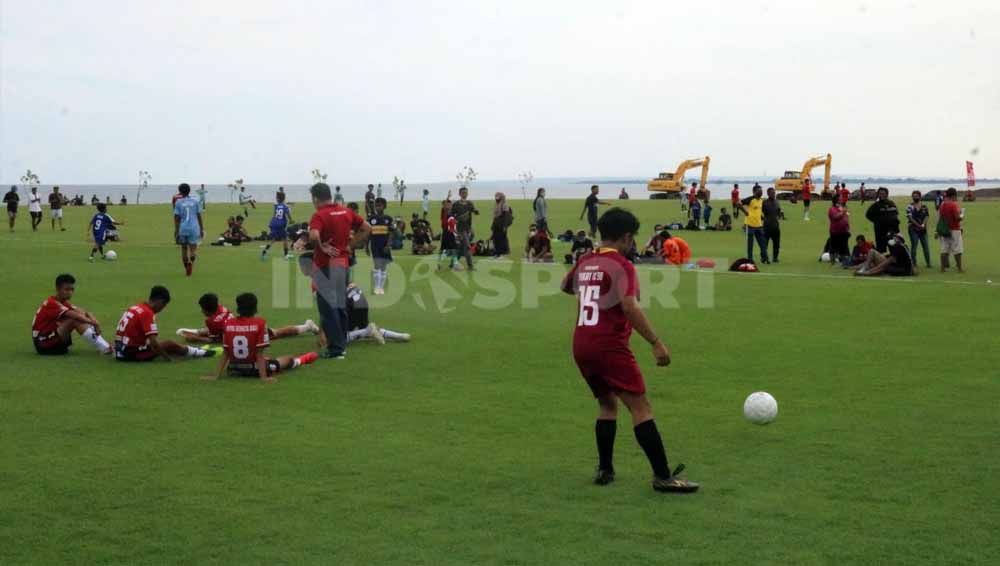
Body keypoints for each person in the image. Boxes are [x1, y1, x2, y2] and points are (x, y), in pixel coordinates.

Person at [560, 207, 698, 493]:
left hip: (582, 343)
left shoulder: (587, 259)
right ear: (625, 237)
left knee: (607, 404)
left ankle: (605, 469)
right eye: (632, 238)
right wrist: (656, 342)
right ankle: (662, 476)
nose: (633, 244)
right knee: (640, 407)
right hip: (608, 345)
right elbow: (630, 306)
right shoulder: (622, 265)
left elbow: (565, 285)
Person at [308, 182, 371, 359]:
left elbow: (313, 236)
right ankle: (342, 342)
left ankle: (336, 350)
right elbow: (366, 228)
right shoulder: (346, 211)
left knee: (328, 308)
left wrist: (322, 247)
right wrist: (350, 246)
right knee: (340, 305)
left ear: (315, 198)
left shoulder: (319, 215)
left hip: (325, 267)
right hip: (342, 264)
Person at [202, 293, 318, 383]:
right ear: (255, 308)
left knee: (264, 354)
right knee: (288, 359)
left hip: (233, 369)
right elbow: (259, 354)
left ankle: (306, 329)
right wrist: (263, 377)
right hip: (254, 369)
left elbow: (226, 353)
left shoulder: (228, 325)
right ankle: (302, 359)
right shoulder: (260, 324)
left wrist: (216, 375)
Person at [114, 286, 218, 362]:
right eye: (164, 305)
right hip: (131, 353)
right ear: (160, 301)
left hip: (120, 350)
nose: (162, 308)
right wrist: (167, 359)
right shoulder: (147, 313)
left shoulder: (136, 307)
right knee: (168, 344)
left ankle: (193, 350)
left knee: (167, 346)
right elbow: (153, 342)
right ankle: (201, 353)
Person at [176, 292, 318, 344]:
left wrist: (196, 338)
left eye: (202, 309)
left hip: (248, 331)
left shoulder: (211, 321)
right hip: (243, 325)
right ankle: (306, 326)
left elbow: (216, 340)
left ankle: (307, 326)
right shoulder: (220, 309)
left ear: (207, 310)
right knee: (276, 332)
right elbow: (219, 329)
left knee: (279, 333)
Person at [32, 273, 111, 355]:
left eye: (72, 289)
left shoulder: (62, 302)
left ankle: (104, 346)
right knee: (74, 320)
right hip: (43, 344)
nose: (70, 292)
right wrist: (94, 323)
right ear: (57, 289)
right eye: (66, 289)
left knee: (80, 318)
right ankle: (105, 347)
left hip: (51, 340)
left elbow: (84, 312)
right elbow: (76, 316)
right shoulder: (51, 303)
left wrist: (94, 321)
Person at [341, 283, 410, 344]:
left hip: (350, 303)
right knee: (363, 327)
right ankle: (399, 336)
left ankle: (367, 331)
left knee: (337, 338)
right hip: (360, 300)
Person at [173, 183, 204, 276]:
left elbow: (176, 217)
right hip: (194, 227)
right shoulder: (195, 202)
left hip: (183, 227)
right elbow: (199, 216)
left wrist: (176, 230)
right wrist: (201, 228)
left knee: (184, 248)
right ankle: (192, 260)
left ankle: (186, 266)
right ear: (189, 191)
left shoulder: (178, 202)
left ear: (180, 192)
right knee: (193, 248)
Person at [368, 197, 395, 295]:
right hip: (375, 245)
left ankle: (381, 288)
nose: (377, 208)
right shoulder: (371, 218)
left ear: (384, 207)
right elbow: (368, 233)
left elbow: (391, 233)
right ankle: (376, 287)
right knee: (377, 265)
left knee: (383, 266)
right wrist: (367, 246)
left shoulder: (388, 219)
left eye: (380, 206)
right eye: (376, 206)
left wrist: (388, 245)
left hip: (385, 245)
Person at [737, 185, 768, 263]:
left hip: (759, 226)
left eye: (761, 191)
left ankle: (764, 258)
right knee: (750, 245)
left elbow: (758, 211)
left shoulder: (761, 200)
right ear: (754, 192)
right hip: (750, 226)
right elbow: (738, 203)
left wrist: (762, 217)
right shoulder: (750, 199)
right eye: (759, 191)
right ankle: (750, 260)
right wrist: (745, 212)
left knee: (763, 244)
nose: (761, 192)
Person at [451, 187, 479, 271]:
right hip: (460, 228)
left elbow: (474, 210)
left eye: (466, 192)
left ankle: (452, 263)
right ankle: (470, 266)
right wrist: (459, 218)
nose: (465, 194)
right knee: (467, 246)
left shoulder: (470, 203)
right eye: (463, 192)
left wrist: (476, 211)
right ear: (459, 194)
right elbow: (451, 216)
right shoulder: (456, 204)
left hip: (468, 228)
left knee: (461, 247)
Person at [937, 187, 964, 273]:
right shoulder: (953, 204)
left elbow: (941, 217)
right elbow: (957, 218)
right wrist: (962, 215)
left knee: (944, 249)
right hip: (954, 229)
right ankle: (959, 268)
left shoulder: (942, 204)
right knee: (957, 250)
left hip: (944, 229)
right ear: (953, 195)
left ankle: (942, 268)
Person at [865, 187, 900, 252]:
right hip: (880, 232)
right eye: (880, 193)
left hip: (892, 231)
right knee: (881, 250)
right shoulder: (876, 205)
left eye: (883, 193)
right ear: (878, 195)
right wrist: (877, 221)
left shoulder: (891, 203)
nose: (882, 195)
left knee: (893, 249)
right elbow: (868, 215)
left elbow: (896, 214)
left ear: (887, 194)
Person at [261, 191, 293, 260]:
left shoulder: (276, 206)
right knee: (285, 239)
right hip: (281, 225)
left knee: (273, 239)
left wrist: (271, 223)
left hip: (274, 223)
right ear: (284, 198)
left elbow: (274, 215)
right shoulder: (285, 206)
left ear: (277, 198)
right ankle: (286, 255)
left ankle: (264, 252)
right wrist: (291, 220)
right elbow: (288, 215)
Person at [906, 190, 931, 268]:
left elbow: (927, 216)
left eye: (917, 196)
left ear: (920, 197)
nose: (915, 197)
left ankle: (928, 263)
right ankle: (914, 263)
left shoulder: (924, 206)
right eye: (914, 196)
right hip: (913, 229)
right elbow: (910, 218)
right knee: (914, 246)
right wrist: (918, 225)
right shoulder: (909, 206)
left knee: (926, 246)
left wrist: (923, 224)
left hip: (923, 230)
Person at [762, 187, 783, 263]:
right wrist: (764, 218)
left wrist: (780, 215)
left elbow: (779, 212)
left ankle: (775, 258)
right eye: (772, 193)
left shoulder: (777, 202)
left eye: (774, 193)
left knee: (776, 244)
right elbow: (761, 212)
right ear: (768, 194)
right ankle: (764, 258)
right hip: (767, 226)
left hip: (776, 226)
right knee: (765, 244)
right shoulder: (764, 202)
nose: (773, 194)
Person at [827, 199, 851, 264]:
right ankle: (832, 261)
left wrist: (848, 227)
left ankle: (843, 262)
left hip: (844, 231)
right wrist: (843, 212)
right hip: (835, 231)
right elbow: (835, 217)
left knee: (844, 247)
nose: (841, 201)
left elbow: (846, 218)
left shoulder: (841, 208)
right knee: (833, 247)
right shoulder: (832, 209)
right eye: (839, 199)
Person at [491, 192, 513, 258]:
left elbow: (505, 216)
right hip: (496, 224)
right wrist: (493, 225)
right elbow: (495, 216)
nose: (497, 198)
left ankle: (501, 253)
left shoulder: (504, 205)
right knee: (495, 238)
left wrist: (504, 226)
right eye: (496, 197)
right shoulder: (496, 204)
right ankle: (497, 252)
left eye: (498, 197)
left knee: (501, 238)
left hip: (501, 224)